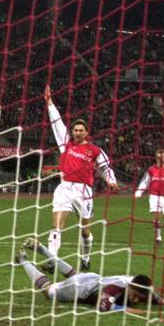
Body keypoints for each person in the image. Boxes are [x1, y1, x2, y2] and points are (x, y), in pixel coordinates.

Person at [43, 86, 119, 270]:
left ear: (86, 132)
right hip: (64, 188)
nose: (77, 132)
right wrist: (49, 103)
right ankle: (52, 260)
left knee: (85, 231)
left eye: (80, 130)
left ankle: (85, 259)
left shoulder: (94, 150)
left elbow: (105, 167)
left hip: (83, 191)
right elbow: (57, 123)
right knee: (56, 225)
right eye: (75, 130)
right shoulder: (66, 144)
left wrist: (111, 180)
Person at [16, 238, 163, 313]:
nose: (136, 299)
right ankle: (23, 260)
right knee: (48, 290)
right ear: (130, 286)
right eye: (135, 295)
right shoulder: (116, 289)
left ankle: (42, 248)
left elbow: (151, 293)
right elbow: (103, 306)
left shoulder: (135, 281)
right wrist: (133, 310)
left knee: (73, 274)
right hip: (78, 289)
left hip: (90, 279)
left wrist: (163, 302)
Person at [135, 148, 164, 243]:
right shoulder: (151, 170)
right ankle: (158, 237)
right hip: (154, 196)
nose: (161, 159)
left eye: (163, 157)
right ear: (156, 158)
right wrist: (139, 192)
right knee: (156, 219)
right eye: (159, 157)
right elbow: (145, 182)